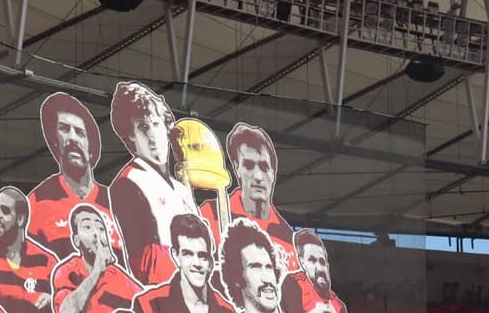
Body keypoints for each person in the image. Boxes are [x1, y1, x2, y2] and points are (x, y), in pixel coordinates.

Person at [133, 214, 249, 313]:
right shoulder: (150, 303)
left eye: (202, 255)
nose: (197, 264)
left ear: (210, 260)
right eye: (188, 254)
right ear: (175, 255)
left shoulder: (228, 312)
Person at [106, 81, 199, 286]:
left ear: (167, 128)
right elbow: (142, 262)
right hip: (165, 292)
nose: (152, 136)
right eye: (143, 127)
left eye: (156, 124)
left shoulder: (182, 189)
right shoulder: (128, 183)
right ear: (130, 134)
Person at [50, 205, 143, 313]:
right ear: (76, 240)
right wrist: (96, 273)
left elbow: (147, 310)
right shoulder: (67, 270)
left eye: (101, 228)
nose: (96, 233)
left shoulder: (120, 277)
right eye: (87, 227)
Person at [28, 92, 121, 259]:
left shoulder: (115, 204)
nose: (72, 138)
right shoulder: (38, 200)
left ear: (91, 146)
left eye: (80, 132)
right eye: (64, 129)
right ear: (55, 140)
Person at [200, 123, 297, 271]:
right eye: (249, 166)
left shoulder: (287, 235)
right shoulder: (211, 214)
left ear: (273, 173)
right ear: (237, 168)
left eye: (264, 167)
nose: (258, 176)